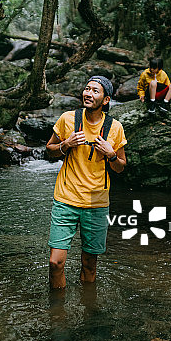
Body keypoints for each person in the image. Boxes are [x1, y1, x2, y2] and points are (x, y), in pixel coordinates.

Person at [46, 75, 127, 289]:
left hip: (96, 203)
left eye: (95, 91)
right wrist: (66, 144)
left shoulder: (115, 127)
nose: (88, 94)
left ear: (106, 100)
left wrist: (111, 154)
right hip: (66, 198)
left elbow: (120, 167)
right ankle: (57, 308)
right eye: (87, 89)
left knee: (89, 264)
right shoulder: (67, 119)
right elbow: (49, 150)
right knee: (55, 263)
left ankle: (87, 305)